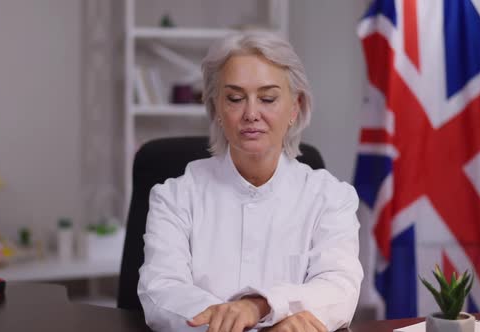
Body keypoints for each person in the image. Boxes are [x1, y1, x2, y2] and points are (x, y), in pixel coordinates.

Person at [137, 31, 363, 332]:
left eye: (268, 98)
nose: (251, 114)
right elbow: (161, 291)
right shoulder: (175, 196)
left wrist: (261, 306)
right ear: (216, 108)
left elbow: (339, 287)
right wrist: (234, 321)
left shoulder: (331, 197)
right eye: (235, 98)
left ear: (294, 107)